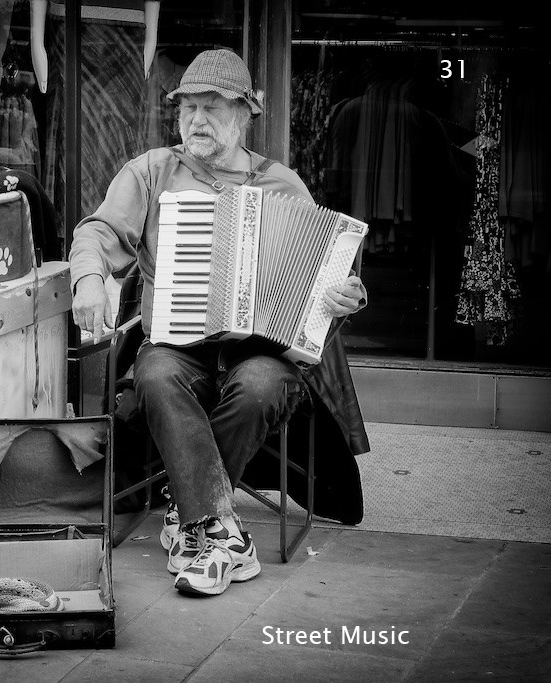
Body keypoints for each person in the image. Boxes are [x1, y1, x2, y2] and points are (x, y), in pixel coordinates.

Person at [69, 49, 371, 597]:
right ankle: (220, 532)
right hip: (177, 346)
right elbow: (98, 232)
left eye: (212, 107)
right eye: (188, 108)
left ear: (245, 114)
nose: (197, 120)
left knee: (261, 387)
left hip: (260, 350)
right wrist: (89, 278)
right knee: (155, 374)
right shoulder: (152, 172)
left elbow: (327, 277)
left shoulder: (282, 184)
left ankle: (191, 516)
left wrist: (346, 295)